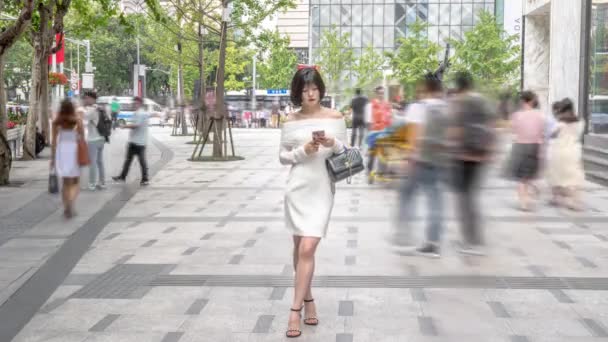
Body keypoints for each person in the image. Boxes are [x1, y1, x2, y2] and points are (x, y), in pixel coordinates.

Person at [280, 67, 346, 338]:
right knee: (299, 248)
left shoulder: (336, 117)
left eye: (315, 88)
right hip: (298, 188)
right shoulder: (290, 120)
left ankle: (293, 310)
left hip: (322, 188)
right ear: (298, 92)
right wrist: (302, 151)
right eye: (306, 89)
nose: (311, 94)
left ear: (321, 90)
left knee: (308, 247)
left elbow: (347, 151)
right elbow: (283, 157)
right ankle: (308, 301)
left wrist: (333, 142)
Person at [394, 74, 448, 257]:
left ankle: (403, 238)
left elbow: (413, 136)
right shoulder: (446, 108)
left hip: (419, 160)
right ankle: (433, 243)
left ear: (425, 87)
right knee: (435, 200)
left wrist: (407, 158)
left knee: (406, 195)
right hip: (440, 159)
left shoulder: (418, 108)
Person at [448, 72, 496, 255]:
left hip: (463, 156)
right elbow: (493, 125)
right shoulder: (482, 101)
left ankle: (469, 242)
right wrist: (490, 151)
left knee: (463, 199)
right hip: (480, 156)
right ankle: (476, 238)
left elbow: (455, 130)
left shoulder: (459, 102)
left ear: (459, 86)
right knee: (471, 197)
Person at [508, 91, 546, 211]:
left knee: (521, 178)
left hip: (520, 146)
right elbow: (542, 133)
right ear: (531, 101)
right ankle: (530, 195)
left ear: (523, 101)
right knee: (529, 176)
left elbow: (514, 131)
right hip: (534, 147)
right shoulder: (540, 115)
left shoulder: (516, 115)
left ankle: (523, 202)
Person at [547, 99, 585, 210]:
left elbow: (552, 135)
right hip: (574, 150)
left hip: (560, 151)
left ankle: (558, 198)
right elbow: (579, 134)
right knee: (575, 176)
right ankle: (575, 201)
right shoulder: (580, 121)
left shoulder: (560, 123)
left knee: (559, 175)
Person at [50, 99, 84, 219]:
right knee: (75, 181)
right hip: (74, 150)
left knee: (65, 182)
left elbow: (53, 142)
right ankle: (71, 203)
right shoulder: (77, 121)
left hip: (62, 150)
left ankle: (66, 207)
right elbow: (81, 138)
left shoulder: (56, 122)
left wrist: (53, 158)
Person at [112, 97, 150, 186]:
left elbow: (136, 125)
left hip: (139, 142)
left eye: (135, 103)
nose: (134, 105)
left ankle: (145, 179)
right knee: (128, 160)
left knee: (141, 161)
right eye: (133, 103)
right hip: (134, 141)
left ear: (140, 104)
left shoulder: (140, 113)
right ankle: (122, 176)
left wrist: (124, 126)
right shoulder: (138, 113)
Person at [366, 86, 393, 181]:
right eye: (380, 93)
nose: (381, 94)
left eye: (382, 93)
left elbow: (390, 119)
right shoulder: (371, 105)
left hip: (385, 133)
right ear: (376, 93)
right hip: (374, 133)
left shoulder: (387, 105)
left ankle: (382, 174)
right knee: (372, 155)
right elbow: (368, 120)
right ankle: (369, 173)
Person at [83, 91, 107, 191]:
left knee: (92, 162)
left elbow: (84, 117)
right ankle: (102, 183)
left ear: (92, 99)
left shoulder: (92, 110)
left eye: (87, 98)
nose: (85, 100)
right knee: (100, 162)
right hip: (102, 138)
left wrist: (84, 108)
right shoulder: (101, 109)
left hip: (93, 139)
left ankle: (92, 184)